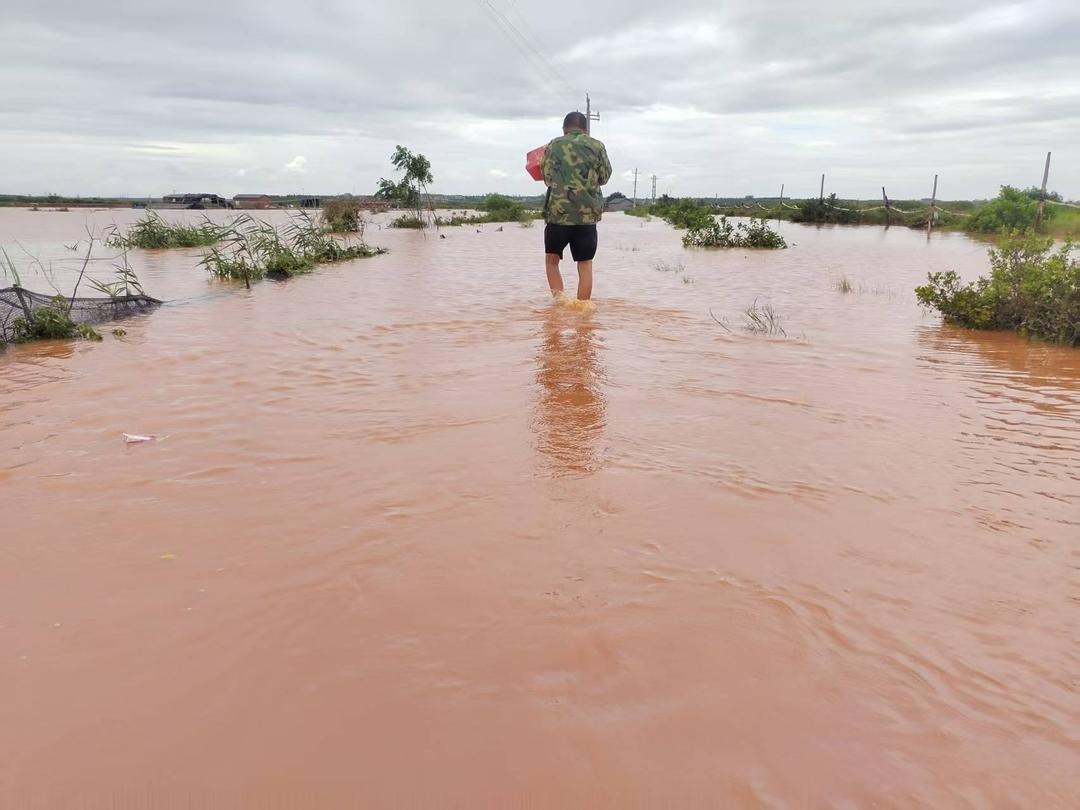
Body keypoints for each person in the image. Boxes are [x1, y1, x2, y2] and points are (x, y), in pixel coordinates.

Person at [541, 111, 612, 301]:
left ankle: (559, 306)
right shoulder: (597, 146)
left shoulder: (552, 146)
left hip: (558, 214)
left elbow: (547, 179)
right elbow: (604, 177)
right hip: (587, 216)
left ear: (564, 129)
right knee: (585, 264)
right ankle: (583, 313)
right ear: (585, 129)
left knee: (552, 261)